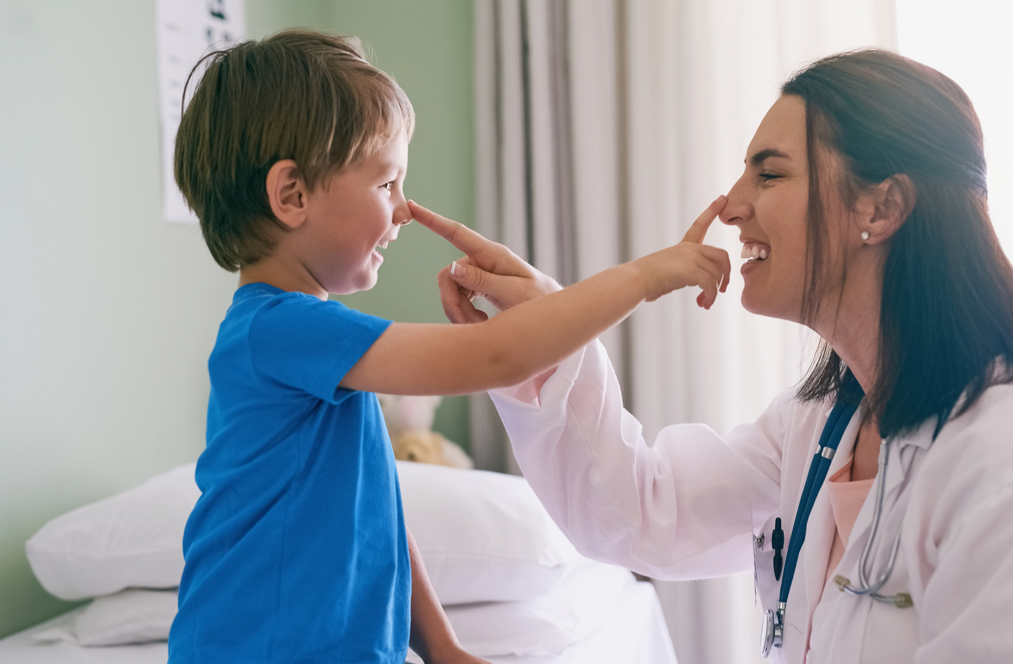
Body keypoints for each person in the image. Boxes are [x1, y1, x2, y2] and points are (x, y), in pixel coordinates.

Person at [423, 49, 1014, 663]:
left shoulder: (994, 460)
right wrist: (544, 328)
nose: (730, 206)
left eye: (770, 174)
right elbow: (644, 513)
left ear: (881, 207)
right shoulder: (819, 425)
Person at [167, 30, 732, 664]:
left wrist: (443, 649)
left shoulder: (309, 341)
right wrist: (645, 275)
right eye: (386, 184)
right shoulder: (280, 331)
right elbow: (498, 356)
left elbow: (375, 516)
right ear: (292, 196)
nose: (403, 210)